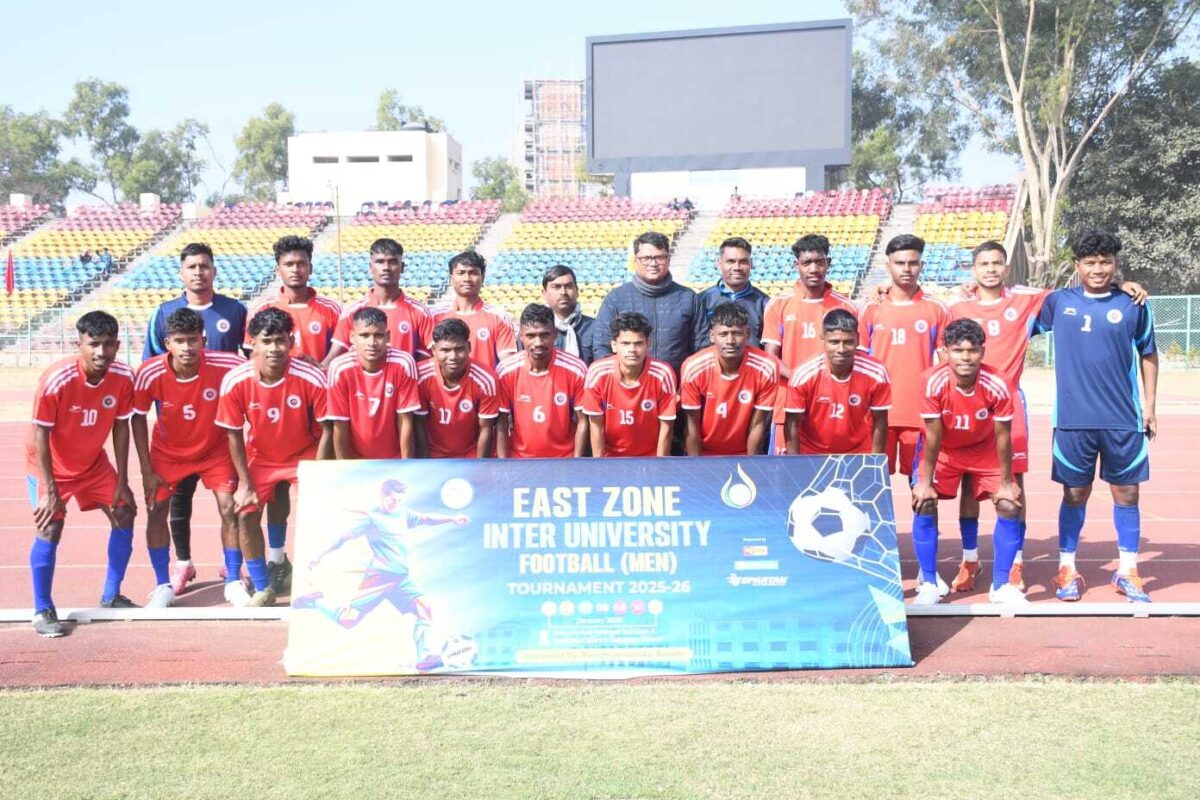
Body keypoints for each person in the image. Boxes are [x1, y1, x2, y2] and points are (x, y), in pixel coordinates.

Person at [944, 241, 1148, 593]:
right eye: (984, 264)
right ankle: (970, 559)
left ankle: (1015, 562)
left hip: (1008, 406)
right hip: (966, 406)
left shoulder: (1029, 300)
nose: (991, 269)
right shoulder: (956, 308)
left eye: (997, 263)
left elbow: (1087, 291)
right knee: (968, 484)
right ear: (973, 269)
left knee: (1013, 485)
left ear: (1006, 268)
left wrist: (1121, 285)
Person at [1033, 229, 1158, 603]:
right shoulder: (1058, 302)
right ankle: (1066, 568)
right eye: (1090, 262)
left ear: (1116, 264)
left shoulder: (1134, 304)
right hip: (1073, 420)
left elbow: (1148, 354)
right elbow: (1012, 320)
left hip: (1123, 419)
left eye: (1106, 262)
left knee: (1128, 493)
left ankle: (1128, 570)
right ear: (1077, 265)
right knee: (1075, 493)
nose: (1098, 269)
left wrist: (1150, 406)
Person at [143, 242, 247, 596]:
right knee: (176, 502)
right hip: (176, 432)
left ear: (214, 270)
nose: (198, 272)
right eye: (192, 267)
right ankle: (182, 563)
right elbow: (153, 369)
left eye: (204, 266)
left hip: (218, 428)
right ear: (181, 272)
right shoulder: (164, 313)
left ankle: (232, 569)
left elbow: (249, 362)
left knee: (229, 503)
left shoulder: (235, 310)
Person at [27, 311, 137, 637]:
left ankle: (111, 595)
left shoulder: (124, 376)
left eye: (108, 344)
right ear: (80, 345)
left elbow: (121, 426)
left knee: (125, 511)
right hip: (51, 468)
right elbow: (40, 432)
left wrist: (122, 481)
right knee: (51, 526)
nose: (102, 352)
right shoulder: (57, 379)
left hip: (93, 465)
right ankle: (43, 609)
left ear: (118, 345)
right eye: (94, 344)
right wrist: (50, 489)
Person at [293, 479, 469, 672]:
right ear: (383, 495)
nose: (396, 503)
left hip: (401, 578)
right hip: (379, 577)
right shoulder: (371, 517)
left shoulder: (403, 513)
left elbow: (426, 519)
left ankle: (424, 657)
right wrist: (320, 555)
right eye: (393, 499)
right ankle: (314, 601)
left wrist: (452, 518)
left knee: (425, 607)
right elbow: (343, 538)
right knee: (348, 620)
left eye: (400, 500)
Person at [216, 308, 331, 605]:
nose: (274, 348)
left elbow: (328, 428)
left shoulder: (311, 376)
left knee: (318, 513)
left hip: (304, 454)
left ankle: (318, 582)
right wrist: (245, 484)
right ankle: (263, 586)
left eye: (281, 340)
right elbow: (233, 434)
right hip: (263, 457)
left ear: (291, 342)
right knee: (245, 512)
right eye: (266, 341)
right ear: (253, 343)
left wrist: (318, 474)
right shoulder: (235, 380)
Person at [910, 319, 1023, 606]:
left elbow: (1003, 436)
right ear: (946, 351)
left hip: (984, 450)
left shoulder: (998, 383)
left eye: (972, 350)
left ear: (982, 352)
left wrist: (1007, 483)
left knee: (1009, 505)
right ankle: (930, 582)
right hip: (945, 451)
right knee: (924, 502)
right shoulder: (931, 381)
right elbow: (933, 435)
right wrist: (925, 482)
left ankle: (1001, 586)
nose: (965, 357)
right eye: (958, 350)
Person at [858, 234, 951, 476]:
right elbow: (858, 363)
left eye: (913, 263)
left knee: (922, 486)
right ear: (888, 265)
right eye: (900, 263)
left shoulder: (936, 309)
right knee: (872, 482)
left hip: (920, 413)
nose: (907, 269)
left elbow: (947, 364)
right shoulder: (871, 307)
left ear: (922, 265)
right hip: (877, 413)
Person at [762, 234, 858, 453]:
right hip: (789, 401)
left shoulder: (846, 306)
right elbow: (770, 357)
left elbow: (855, 357)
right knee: (785, 468)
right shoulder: (778, 304)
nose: (814, 269)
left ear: (828, 263)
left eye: (819, 262)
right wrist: (800, 379)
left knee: (829, 468)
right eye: (807, 263)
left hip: (833, 403)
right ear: (796, 265)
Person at [592, 231, 708, 378]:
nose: (653, 263)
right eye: (646, 258)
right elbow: (602, 347)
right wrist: (620, 383)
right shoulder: (615, 299)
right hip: (628, 388)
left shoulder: (688, 298)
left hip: (677, 387)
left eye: (659, 257)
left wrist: (688, 384)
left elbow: (702, 348)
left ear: (668, 259)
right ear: (636, 260)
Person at [784, 309, 890, 456]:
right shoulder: (803, 375)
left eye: (848, 342)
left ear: (858, 339)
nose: (841, 349)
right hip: (812, 452)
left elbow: (881, 420)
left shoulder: (877, 373)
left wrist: (875, 462)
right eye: (834, 342)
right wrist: (794, 464)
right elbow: (792, 423)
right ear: (823, 337)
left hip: (858, 453)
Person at [680, 303, 777, 456]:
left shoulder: (766, 367)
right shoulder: (693, 367)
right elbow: (691, 425)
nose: (730, 340)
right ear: (712, 336)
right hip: (703, 452)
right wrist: (697, 465)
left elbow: (758, 424)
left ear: (748, 334)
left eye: (737, 333)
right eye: (723, 334)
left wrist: (751, 463)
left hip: (744, 452)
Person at [326, 307, 421, 460]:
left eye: (378, 335)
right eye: (364, 335)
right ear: (352, 337)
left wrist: (406, 464)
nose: (372, 342)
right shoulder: (339, 368)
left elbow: (405, 420)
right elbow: (340, 425)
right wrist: (345, 467)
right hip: (356, 460)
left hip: (395, 459)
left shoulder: (403, 363)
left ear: (388, 336)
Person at [496, 303, 587, 459]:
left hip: (564, 459)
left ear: (555, 334)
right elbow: (501, 424)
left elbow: (583, 422)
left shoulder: (576, 370)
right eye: (531, 336)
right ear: (521, 336)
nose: (538, 343)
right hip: (520, 460)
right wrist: (504, 466)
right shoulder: (506, 371)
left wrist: (575, 463)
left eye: (544, 335)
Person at [324, 238, 433, 366]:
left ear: (402, 267)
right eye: (380, 262)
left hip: (403, 379)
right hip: (363, 379)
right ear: (371, 267)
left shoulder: (420, 312)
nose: (386, 268)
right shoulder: (353, 311)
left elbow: (427, 359)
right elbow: (334, 356)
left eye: (393, 262)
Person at [582, 312, 677, 458]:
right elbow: (595, 426)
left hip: (650, 457)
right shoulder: (597, 373)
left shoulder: (663, 374)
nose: (632, 349)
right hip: (610, 457)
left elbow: (666, 428)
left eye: (638, 343)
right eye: (625, 343)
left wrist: (659, 466)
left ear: (648, 344)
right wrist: (600, 466)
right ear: (614, 346)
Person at [247, 235, 342, 363]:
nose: (295, 270)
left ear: (310, 268)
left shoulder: (331, 309)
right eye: (289, 264)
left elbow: (342, 348)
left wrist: (322, 368)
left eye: (301, 264)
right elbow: (252, 351)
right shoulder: (262, 308)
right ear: (278, 270)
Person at [414, 319, 500, 459]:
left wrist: (480, 466)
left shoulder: (486, 380)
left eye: (459, 349)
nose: (453, 357)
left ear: (469, 347)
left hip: (472, 455)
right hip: (433, 454)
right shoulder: (420, 376)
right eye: (445, 350)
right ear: (434, 350)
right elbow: (419, 424)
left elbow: (486, 428)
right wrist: (426, 464)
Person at [430, 250, 517, 368]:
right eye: (461, 273)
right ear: (451, 279)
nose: (467, 278)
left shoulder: (499, 317)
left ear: (483, 277)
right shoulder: (435, 317)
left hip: (485, 380)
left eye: (473, 273)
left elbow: (508, 365)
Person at [698, 237, 769, 348]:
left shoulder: (765, 303)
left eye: (743, 261)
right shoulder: (701, 301)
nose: (737, 267)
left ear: (751, 264)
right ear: (719, 263)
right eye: (730, 261)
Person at [541, 265, 595, 364]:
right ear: (544, 293)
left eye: (568, 286)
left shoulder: (595, 328)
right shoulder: (535, 330)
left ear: (577, 291)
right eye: (556, 287)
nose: (563, 292)